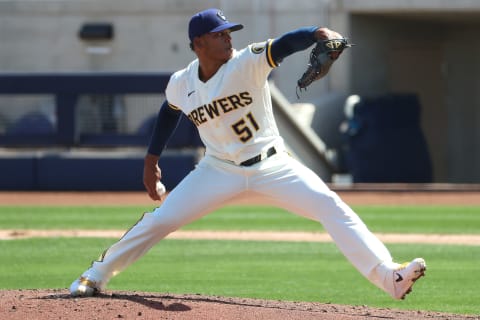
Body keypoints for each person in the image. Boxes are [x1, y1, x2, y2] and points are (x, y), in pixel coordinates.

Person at [70, 8, 426, 300]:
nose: (228, 38)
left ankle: (389, 276)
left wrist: (319, 33)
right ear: (198, 43)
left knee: (331, 207)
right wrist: (151, 161)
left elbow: (286, 44)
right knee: (159, 221)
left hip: (273, 165)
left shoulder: (247, 62)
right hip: (217, 170)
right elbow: (169, 111)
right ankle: (95, 274)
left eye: (229, 32)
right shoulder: (182, 81)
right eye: (220, 34)